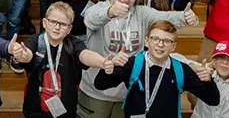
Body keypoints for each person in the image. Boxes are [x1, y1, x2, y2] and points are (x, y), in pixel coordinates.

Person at [78, 0, 200, 117]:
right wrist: (110, 12)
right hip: (95, 92)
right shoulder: (97, 8)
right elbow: (90, 19)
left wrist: (185, 17)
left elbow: (165, 17)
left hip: (126, 91)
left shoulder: (141, 13)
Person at [93, 21, 221, 117]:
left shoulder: (181, 70)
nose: (160, 44)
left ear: (173, 46)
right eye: (155, 39)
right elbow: (100, 84)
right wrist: (108, 68)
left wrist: (208, 81)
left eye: (167, 41)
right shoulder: (133, 64)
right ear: (147, 41)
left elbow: (213, 100)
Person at [10, 2, 107, 118]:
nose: (57, 27)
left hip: (65, 113)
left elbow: (85, 55)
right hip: (33, 113)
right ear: (44, 23)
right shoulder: (35, 41)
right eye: (52, 22)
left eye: (62, 24)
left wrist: (102, 62)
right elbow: (27, 55)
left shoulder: (73, 44)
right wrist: (21, 54)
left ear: (69, 29)